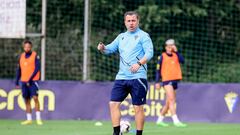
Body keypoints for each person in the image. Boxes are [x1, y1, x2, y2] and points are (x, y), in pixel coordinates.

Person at [97, 11, 153, 135]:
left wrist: (139, 64)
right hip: (121, 77)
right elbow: (109, 49)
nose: (131, 23)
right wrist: (102, 48)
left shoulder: (144, 36)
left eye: (133, 20)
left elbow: (149, 53)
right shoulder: (121, 37)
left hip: (138, 78)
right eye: (128, 21)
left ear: (138, 21)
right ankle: (116, 133)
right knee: (113, 104)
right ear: (125, 22)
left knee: (138, 107)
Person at [155, 39, 187, 127]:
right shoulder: (162, 56)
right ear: (166, 47)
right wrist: (157, 82)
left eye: (171, 46)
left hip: (175, 81)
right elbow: (158, 70)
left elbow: (183, 61)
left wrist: (176, 51)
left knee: (168, 102)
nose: (170, 48)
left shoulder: (176, 55)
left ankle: (159, 120)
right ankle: (176, 121)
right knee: (172, 100)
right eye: (168, 47)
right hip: (166, 81)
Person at [15, 40, 43, 125]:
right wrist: (17, 81)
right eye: (25, 47)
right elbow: (19, 70)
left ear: (31, 47)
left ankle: (38, 118)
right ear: (23, 48)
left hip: (33, 81)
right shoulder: (21, 57)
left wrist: (30, 79)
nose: (27, 48)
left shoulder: (35, 56)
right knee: (26, 100)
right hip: (23, 81)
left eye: (28, 47)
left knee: (35, 98)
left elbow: (37, 68)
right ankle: (29, 119)